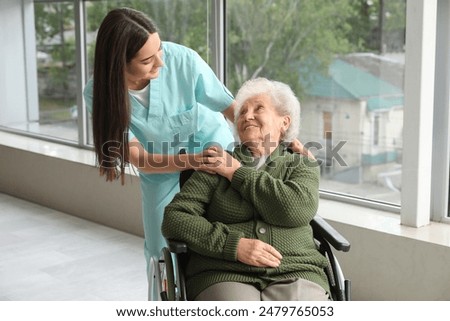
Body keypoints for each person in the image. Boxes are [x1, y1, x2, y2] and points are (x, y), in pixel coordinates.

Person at [83, 7, 237, 300]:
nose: (161, 62)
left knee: (223, 231)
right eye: (147, 59)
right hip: (159, 168)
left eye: (160, 49)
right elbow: (136, 157)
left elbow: (231, 107)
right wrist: (188, 161)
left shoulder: (184, 60)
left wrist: (278, 140)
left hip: (215, 150)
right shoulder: (98, 94)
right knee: (160, 250)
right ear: (119, 65)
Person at [162, 77, 329, 301]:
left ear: (284, 122)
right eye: (242, 112)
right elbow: (175, 218)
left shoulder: (300, 163)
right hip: (224, 272)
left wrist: (236, 173)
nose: (247, 116)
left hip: (296, 269)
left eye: (258, 108)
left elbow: (296, 208)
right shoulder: (217, 162)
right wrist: (234, 245)